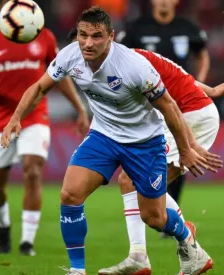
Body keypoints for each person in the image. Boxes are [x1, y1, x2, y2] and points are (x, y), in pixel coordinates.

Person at [1, 7, 218, 275]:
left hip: (144, 141)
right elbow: (39, 87)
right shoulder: (70, 55)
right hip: (104, 135)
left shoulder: (132, 65)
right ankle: (77, 270)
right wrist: (16, 117)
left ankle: (184, 236)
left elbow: (169, 107)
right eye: (83, 35)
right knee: (70, 194)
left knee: (154, 216)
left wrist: (187, 149)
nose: (88, 43)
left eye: (96, 36)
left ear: (111, 37)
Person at [67, 28, 219, 275]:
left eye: (91, 43)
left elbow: (168, 104)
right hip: (188, 113)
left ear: (107, 40)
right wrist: (210, 91)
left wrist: (189, 145)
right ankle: (165, 251)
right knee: (135, 186)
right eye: (80, 47)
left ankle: (151, 253)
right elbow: (176, 78)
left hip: (189, 116)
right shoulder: (115, 63)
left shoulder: (125, 64)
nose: (87, 50)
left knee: (131, 181)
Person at [0, 0, 90, 257]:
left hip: (35, 117)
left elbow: (59, 75)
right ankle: (4, 225)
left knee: (32, 172)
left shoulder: (46, 38)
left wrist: (80, 108)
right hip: (1, 119)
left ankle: (27, 241)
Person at [117, 0, 211, 218]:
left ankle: (169, 210)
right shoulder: (138, 27)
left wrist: (199, 82)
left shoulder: (188, 27)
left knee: (178, 155)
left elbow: (201, 54)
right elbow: (122, 58)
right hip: (147, 103)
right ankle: (155, 207)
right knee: (152, 154)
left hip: (179, 102)